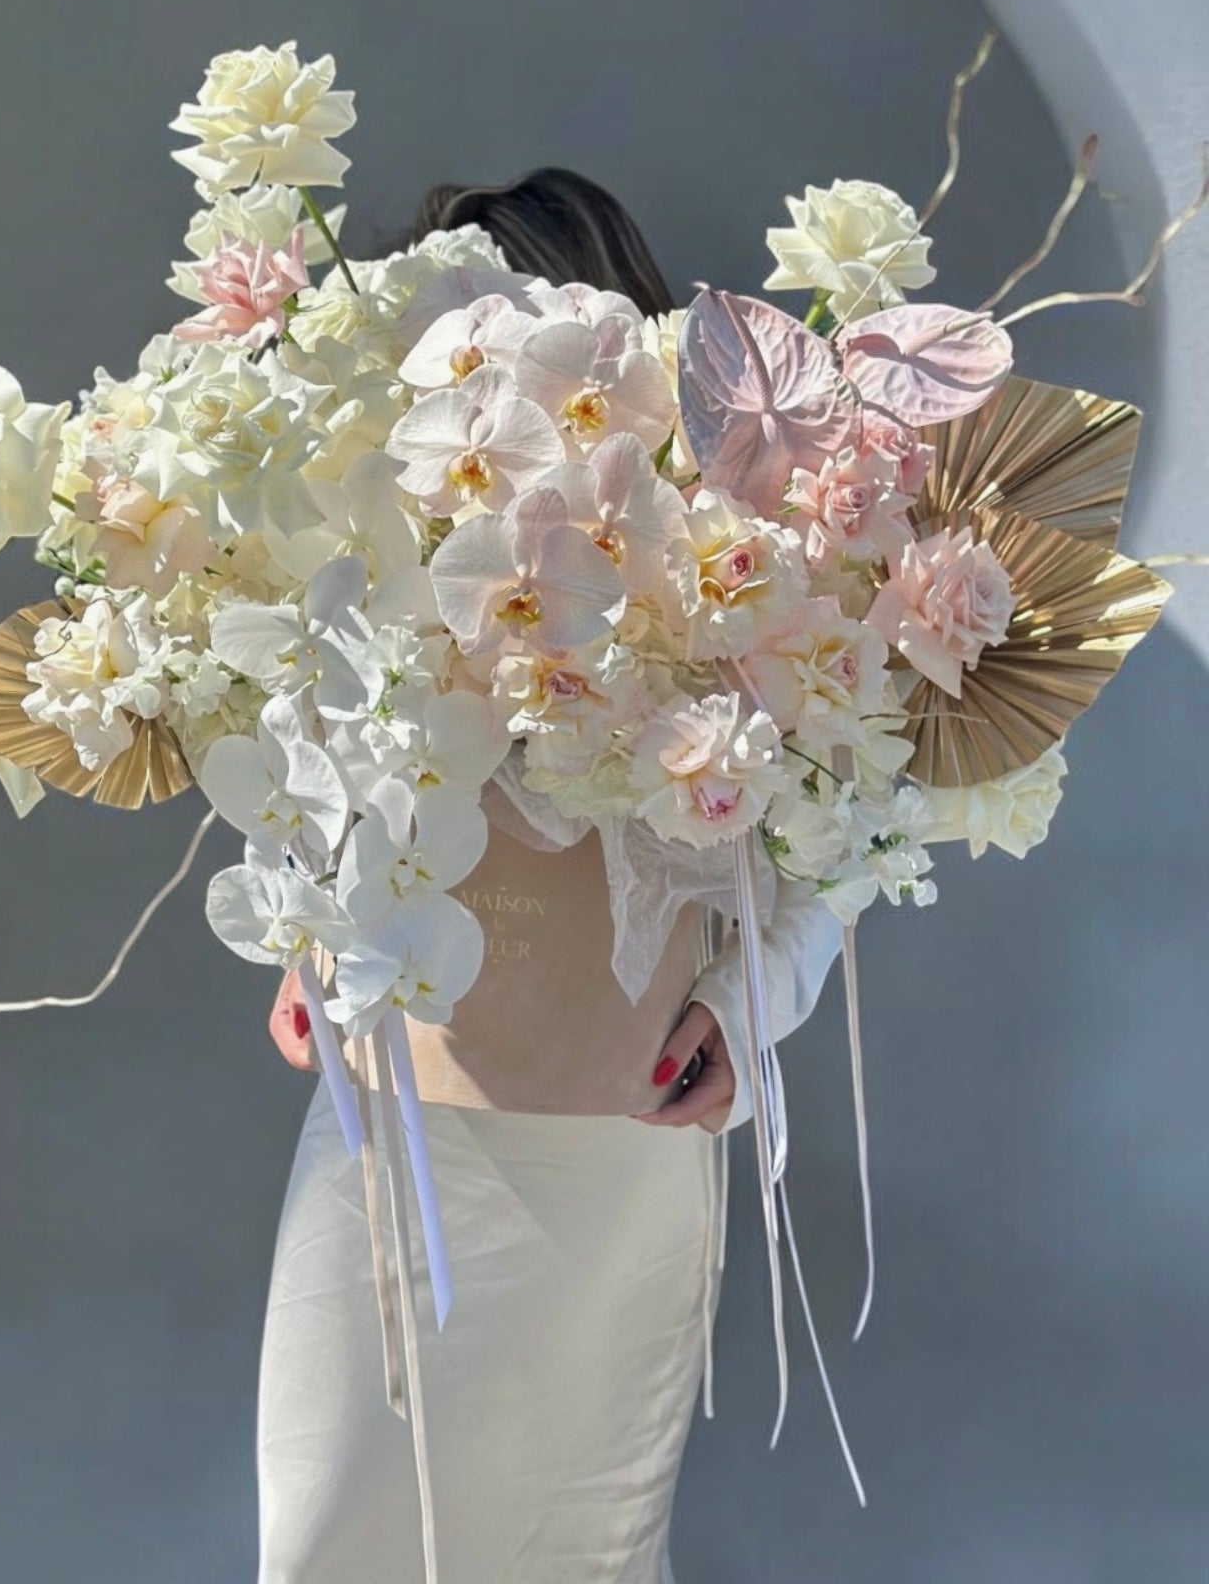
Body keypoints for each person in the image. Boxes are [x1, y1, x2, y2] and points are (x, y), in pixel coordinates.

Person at [254, 170, 846, 1582]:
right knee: (333, 1546)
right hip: (388, 1148)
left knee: (574, 1554)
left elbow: (842, 829)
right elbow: (292, 766)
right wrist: (299, 924)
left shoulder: (727, 562)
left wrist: (757, 999)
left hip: (615, 1154)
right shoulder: (366, 547)